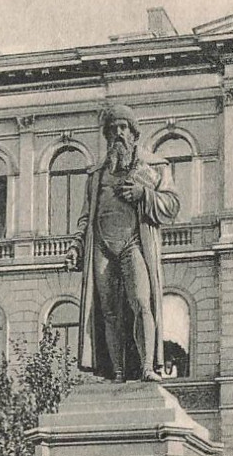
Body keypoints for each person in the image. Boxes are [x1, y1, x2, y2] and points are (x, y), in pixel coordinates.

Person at [65, 103, 180, 383]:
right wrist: (76, 245)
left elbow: (173, 204)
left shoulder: (153, 167)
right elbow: (85, 217)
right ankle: (115, 371)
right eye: (113, 129)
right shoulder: (97, 175)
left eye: (123, 128)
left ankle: (146, 367)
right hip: (102, 246)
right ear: (107, 136)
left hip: (134, 243)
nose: (118, 134)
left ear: (134, 133)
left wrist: (144, 194)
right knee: (108, 311)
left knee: (142, 302)